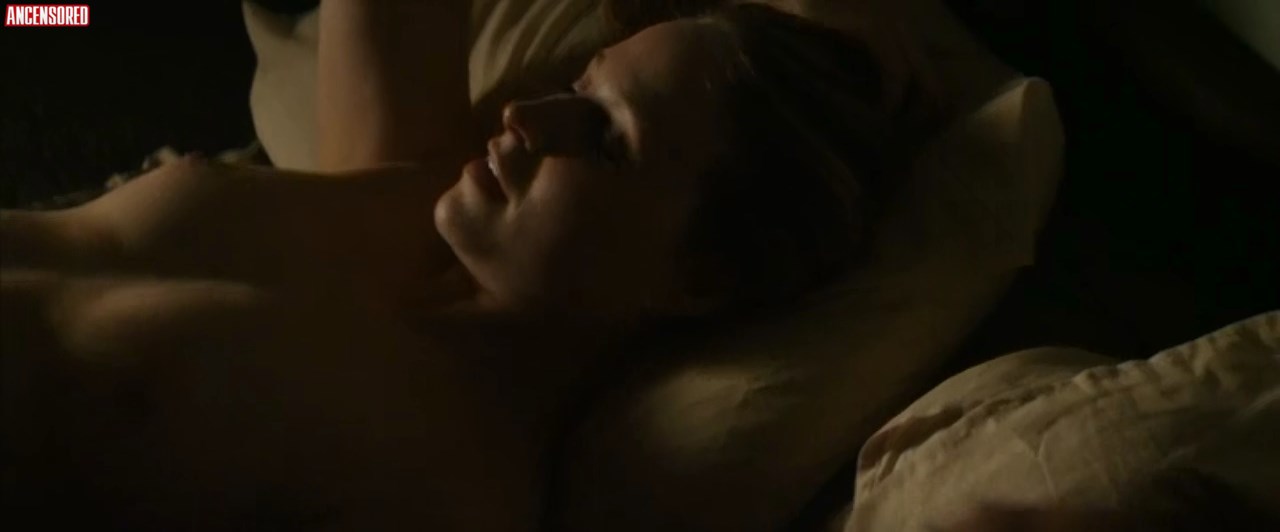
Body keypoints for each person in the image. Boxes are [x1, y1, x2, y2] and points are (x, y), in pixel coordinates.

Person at [0, 1, 928, 530]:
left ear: (697, 279)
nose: (528, 117)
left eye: (606, 137)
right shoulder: (408, 183)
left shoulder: (443, 492)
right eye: (578, 86)